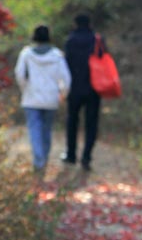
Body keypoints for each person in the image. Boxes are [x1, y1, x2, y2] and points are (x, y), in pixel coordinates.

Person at [14, 25, 71, 172]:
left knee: (34, 129)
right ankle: (43, 157)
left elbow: (19, 74)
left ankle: (38, 159)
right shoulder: (57, 55)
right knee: (46, 130)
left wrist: (25, 88)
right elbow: (66, 78)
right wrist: (63, 93)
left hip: (31, 98)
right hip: (51, 97)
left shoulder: (26, 54)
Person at [62, 14, 100, 171]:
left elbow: (64, 65)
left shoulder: (70, 41)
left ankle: (71, 155)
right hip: (94, 87)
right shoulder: (97, 40)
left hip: (75, 88)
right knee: (91, 123)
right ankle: (86, 156)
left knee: (72, 121)